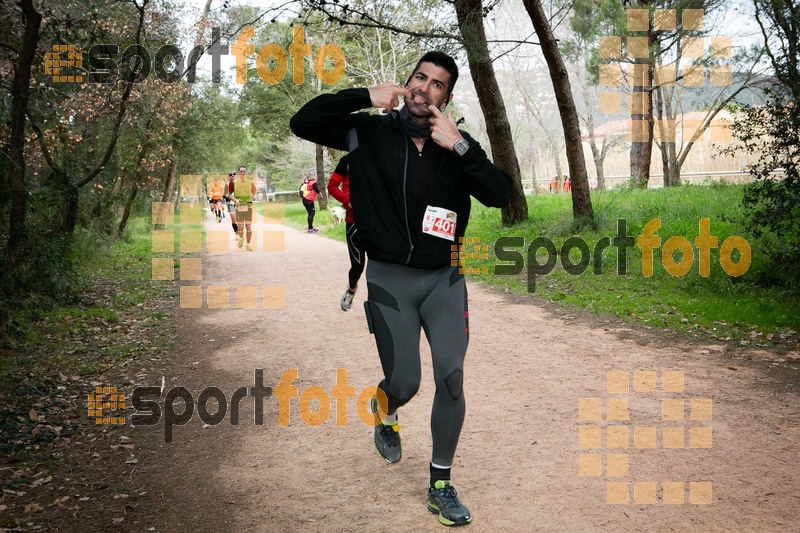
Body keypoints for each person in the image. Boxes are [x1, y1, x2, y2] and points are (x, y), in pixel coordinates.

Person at [291, 51, 511, 527]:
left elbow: (501, 194)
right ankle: (385, 406)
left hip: (446, 277)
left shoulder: (455, 143)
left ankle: (440, 483)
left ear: (445, 98)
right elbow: (303, 120)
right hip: (390, 278)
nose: (423, 88)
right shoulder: (367, 133)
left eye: (436, 84)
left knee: (451, 377)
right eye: (418, 77)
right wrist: (363, 97)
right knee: (406, 382)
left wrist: (461, 148)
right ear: (407, 83)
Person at [327, 154, 364, 311]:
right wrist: (348, 201)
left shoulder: (380, 154)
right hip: (354, 220)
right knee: (358, 266)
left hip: (377, 220)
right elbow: (332, 186)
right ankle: (351, 290)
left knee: (381, 264)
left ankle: (382, 304)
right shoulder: (347, 160)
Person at [233, 165, 257, 251]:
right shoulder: (234, 183)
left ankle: (248, 244)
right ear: (238, 172)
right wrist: (235, 200)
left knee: (248, 226)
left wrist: (254, 197)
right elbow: (228, 195)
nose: (243, 172)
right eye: (241, 171)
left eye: (244, 171)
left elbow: (254, 193)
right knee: (240, 228)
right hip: (239, 207)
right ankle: (241, 238)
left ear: (246, 172)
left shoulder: (250, 183)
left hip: (248, 206)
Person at [226, 170, 239, 236]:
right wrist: (234, 200)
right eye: (230, 174)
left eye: (234, 174)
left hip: (239, 202)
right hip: (231, 202)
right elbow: (227, 195)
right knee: (233, 219)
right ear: (229, 176)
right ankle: (237, 233)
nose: (232, 175)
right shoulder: (227, 184)